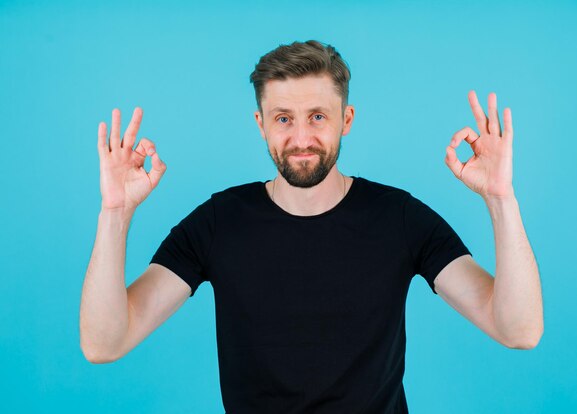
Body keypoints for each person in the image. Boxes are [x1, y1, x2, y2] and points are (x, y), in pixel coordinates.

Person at [80, 40, 543, 413]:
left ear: (347, 119)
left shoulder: (400, 218)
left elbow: (518, 330)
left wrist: (501, 200)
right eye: (284, 119)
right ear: (261, 124)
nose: (301, 138)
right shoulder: (219, 222)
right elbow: (106, 343)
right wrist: (115, 214)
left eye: (318, 117)